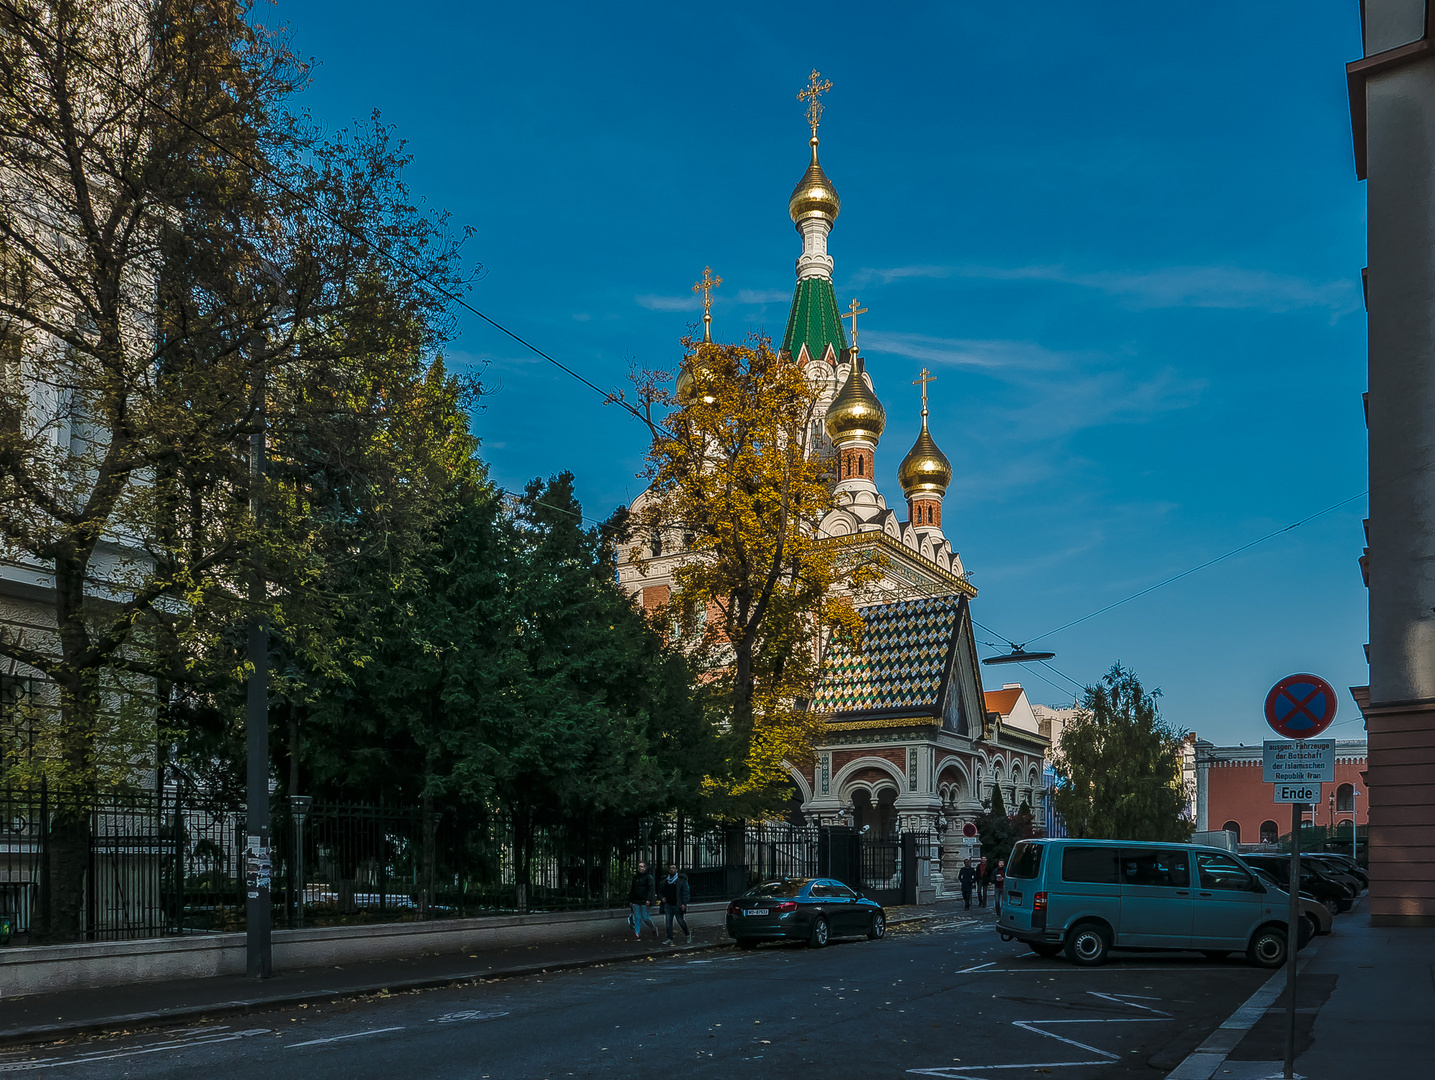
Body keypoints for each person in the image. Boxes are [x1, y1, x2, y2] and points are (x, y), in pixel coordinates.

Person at [659, 862, 691, 945]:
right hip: (668, 905)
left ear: (677, 870)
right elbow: (660, 892)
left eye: (673, 868)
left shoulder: (681, 881)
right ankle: (669, 938)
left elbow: (686, 892)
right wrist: (662, 897)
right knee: (668, 922)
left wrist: (684, 903)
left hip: (677, 905)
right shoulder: (665, 881)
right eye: (670, 868)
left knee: (680, 921)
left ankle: (687, 934)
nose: (672, 869)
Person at [628, 860, 659, 941]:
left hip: (645, 900)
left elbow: (651, 889)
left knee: (645, 918)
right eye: (639, 866)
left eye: (642, 866)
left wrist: (648, 899)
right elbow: (633, 889)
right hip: (636, 900)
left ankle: (653, 928)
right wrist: (631, 900)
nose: (640, 868)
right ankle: (637, 933)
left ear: (645, 868)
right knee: (637, 918)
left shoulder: (649, 877)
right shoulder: (635, 878)